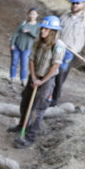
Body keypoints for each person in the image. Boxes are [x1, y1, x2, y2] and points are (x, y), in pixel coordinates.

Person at [8, 15, 65, 148]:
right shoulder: (37, 41)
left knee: (37, 110)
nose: (42, 31)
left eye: (46, 29)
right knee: (25, 103)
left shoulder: (58, 46)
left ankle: (29, 137)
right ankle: (21, 125)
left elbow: (55, 66)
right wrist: (33, 77)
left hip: (46, 81)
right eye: (42, 28)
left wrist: (42, 81)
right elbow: (31, 59)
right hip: (34, 77)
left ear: (53, 31)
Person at [51, 0, 85, 106]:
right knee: (50, 70)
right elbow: (56, 32)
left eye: (77, 3)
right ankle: (46, 94)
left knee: (61, 71)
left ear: (83, 4)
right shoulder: (64, 16)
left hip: (70, 52)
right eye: (73, 3)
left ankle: (54, 99)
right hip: (58, 48)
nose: (74, 5)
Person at [9, 7, 40, 87]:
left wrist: (30, 32)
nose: (31, 16)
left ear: (37, 15)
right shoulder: (24, 23)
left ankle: (23, 80)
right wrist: (12, 44)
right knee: (14, 62)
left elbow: (37, 37)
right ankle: (12, 78)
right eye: (30, 14)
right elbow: (15, 33)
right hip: (17, 45)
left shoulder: (38, 26)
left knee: (24, 64)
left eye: (33, 14)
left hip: (27, 47)